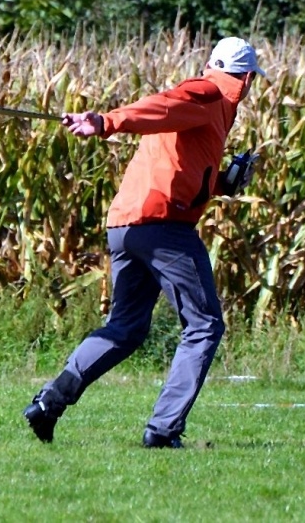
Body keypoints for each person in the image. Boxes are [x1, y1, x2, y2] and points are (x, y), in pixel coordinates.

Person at [24, 36, 263, 449]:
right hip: (163, 225)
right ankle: (163, 430)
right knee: (205, 325)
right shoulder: (207, 93)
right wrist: (105, 122)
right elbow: (163, 105)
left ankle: (50, 401)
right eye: (249, 80)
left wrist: (224, 182)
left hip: (127, 225)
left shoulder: (214, 107)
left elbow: (185, 165)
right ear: (244, 78)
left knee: (127, 328)